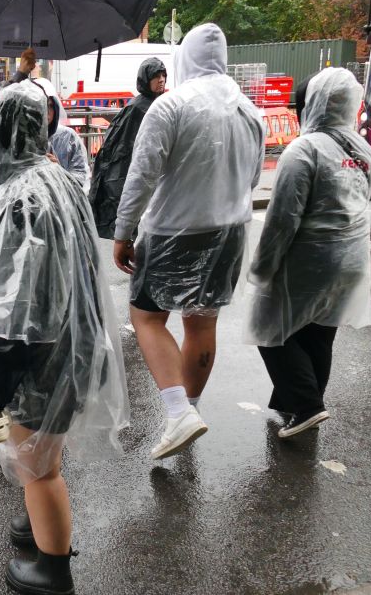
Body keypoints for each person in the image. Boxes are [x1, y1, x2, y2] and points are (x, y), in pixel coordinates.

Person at [0, 82, 129, 595]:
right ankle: (40, 518)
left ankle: (52, 566)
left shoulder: (16, 204)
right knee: (48, 450)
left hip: (40, 362)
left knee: (40, 469)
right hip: (75, 349)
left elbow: (12, 318)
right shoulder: (58, 179)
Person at [112, 24, 265, 460]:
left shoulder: (170, 107)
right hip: (229, 230)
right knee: (202, 323)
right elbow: (252, 179)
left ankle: (179, 414)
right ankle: (188, 410)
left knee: (146, 318)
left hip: (172, 231)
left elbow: (141, 176)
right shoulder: (249, 111)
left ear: (184, 59)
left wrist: (124, 232)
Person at [245, 68, 371, 438]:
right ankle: (297, 404)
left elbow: (283, 219)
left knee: (269, 330)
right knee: (318, 333)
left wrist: (263, 266)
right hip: (352, 260)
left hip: (310, 260)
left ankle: (307, 406)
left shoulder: (304, 151)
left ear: (310, 105)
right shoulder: (363, 149)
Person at [89, 58, 167, 239]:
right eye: (156, 75)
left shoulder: (159, 104)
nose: (161, 79)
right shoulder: (136, 108)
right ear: (146, 79)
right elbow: (119, 150)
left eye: (163, 75)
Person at [33, 78, 90, 192]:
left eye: (50, 106)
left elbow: (80, 178)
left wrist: (58, 171)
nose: (47, 111)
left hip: (63, 204)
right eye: (42, 105)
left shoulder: (68, 137)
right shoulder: (22, 138)